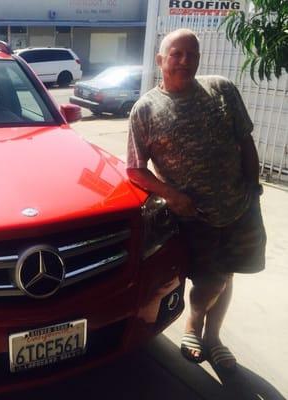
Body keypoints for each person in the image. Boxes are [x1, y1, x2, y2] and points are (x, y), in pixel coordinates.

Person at [126, 29, 266, 372]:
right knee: (208, 279)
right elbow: (135, 171)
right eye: (177, 54)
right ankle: (193, 324)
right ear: (161, 60)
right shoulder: (145, 110)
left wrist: (254, 185)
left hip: (240, 207)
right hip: (195, 216)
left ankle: (214, 337)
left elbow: (244, 140)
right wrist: (173, 197)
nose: (186, 61)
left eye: (193, 54)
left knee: (228, 274)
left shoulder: (221, 88)